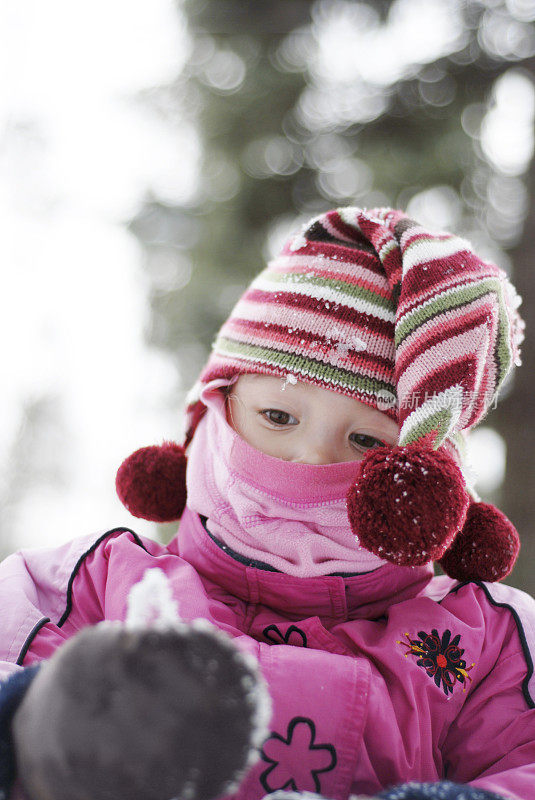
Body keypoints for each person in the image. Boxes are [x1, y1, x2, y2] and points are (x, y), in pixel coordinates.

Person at [0, 207, 532, 800]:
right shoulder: (95, 584)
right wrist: (35, 724)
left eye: (366, 440)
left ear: (426, 481)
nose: (309, 460)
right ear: (212, 414)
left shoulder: (482, 639)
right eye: (278, 417)